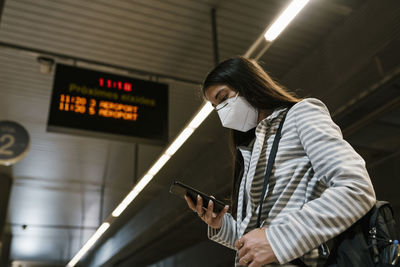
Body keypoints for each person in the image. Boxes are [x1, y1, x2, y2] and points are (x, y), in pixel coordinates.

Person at [185, 56, 376, 267]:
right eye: (215, 106)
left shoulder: (302, 115)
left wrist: (277, 240)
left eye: (223, 98)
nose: (221, 111)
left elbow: (355, 188)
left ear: (248, 85)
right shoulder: (251, 147)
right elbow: (255, 236)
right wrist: (221, 224)